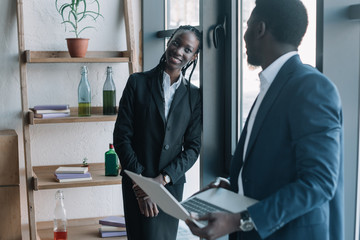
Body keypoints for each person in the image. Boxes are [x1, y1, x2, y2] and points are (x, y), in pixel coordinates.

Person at [186, 0, 343, 240]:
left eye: (247, 27)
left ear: (260, 29)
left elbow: (319, 183)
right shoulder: (273, 85)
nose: (244, 36)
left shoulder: (312, 87)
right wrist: (234, 187)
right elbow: (277, 167)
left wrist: (240, 220)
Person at [113, 25, 202, 240]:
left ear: (194, 56)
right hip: (136, 183)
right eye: (176, 43)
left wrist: (159, 182)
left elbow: (193, 147)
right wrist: (142, 185)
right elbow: (122, 137)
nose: (179, 51)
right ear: (169, 42)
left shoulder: (194, 96)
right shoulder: (137, 83)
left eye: (187, 49)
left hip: (170, 188)